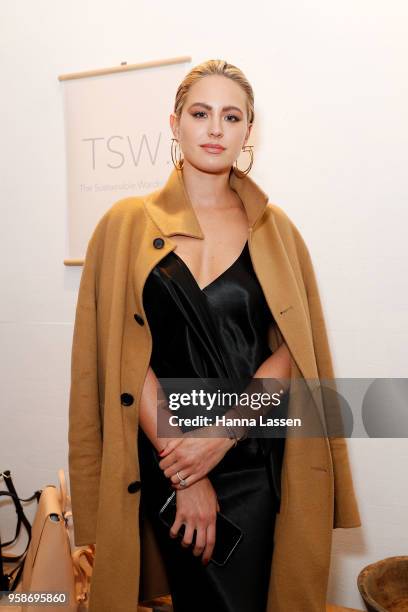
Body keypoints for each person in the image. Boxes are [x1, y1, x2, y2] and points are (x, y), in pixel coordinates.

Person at [68, 59, 362, 612]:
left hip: (254, 458)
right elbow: (122, 359)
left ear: (248, 132)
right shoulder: (125, 224)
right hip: (163, 455)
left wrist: (220, 438)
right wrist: (186, 471)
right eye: (200, 113)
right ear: (174, 122)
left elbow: (292, 357)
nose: (214, 128)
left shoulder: (276, 233)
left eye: (232, 116)